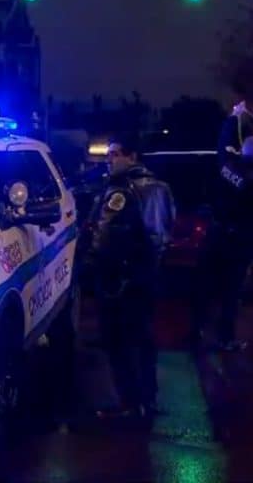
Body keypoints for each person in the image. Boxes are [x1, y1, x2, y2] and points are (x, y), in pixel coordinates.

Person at [83, 135, 174, 419]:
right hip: (148, 274)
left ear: (132, 156)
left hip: (120, 278)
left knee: (117, 341)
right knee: (144, 340)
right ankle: (149, 399)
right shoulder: (161, 187)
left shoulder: (120, 192)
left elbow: (105, 237)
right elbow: (168, 226)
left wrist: (91, 263)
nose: (109, 160)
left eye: (115, 154)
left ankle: (129, 403)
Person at [192, 135, 253, 352]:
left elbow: (221, 147)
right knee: (231, 293)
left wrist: (234, 117)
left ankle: (195, 333)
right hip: (237, 243)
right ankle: (225, 338)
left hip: (215, 236)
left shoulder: (227, 167)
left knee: (205, 288)